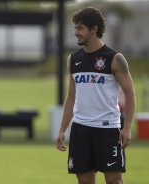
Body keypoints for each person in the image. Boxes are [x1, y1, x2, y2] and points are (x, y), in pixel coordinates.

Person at [55, 7, 135, 184]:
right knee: (84, 181)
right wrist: (62, 129)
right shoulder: (73, 59)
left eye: (80, 28)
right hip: (81, 129)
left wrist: (127, 127)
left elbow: (129, 93)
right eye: (75, 28)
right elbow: (71, 97)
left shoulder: (114, 59)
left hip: (108, 130)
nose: (76, 33)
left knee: (114, 180)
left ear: (94, 29)